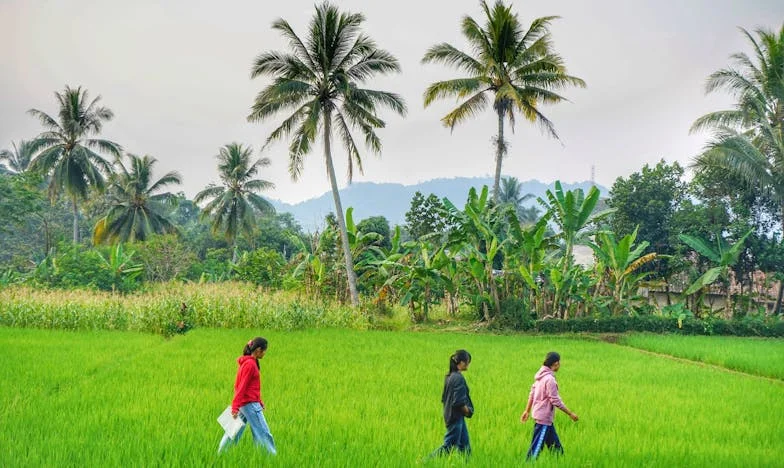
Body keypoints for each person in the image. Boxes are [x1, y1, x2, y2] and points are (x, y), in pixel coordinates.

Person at [218, 337, 277, 455]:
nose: (265, 353)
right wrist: (235, 407)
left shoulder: (248, 362)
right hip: (249, 405)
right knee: (263, 433)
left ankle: (221, 455)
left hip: (245, 404)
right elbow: (241, 387)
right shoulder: (250, 364)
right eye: (265, 350)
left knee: (233, 431)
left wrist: (259, 400)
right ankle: (273, 459)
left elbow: (250, 386)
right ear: (259, 350)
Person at [520, 351, 578, 460]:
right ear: (555, 364)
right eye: (559, 363)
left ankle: (560, 462)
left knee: (557, 450)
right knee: (535, 451)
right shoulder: (549, 379)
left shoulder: (540, 376)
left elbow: (532, 393)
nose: (560, 365)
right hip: (543, 419)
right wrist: (570, 413)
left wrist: (527, 411)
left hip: (543, 418)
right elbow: (555, 400)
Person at [430, 349, 474, 458]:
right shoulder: (458, 378)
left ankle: (468, 464)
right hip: (455, 417)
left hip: (451, 415)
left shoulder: (449, 376)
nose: (469, 364)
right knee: (449, 446)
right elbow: (458, 402)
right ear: (462, 363)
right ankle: (427, 461)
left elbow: (444, 398)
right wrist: (468, 411)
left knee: (465, 447)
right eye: (468, 361)